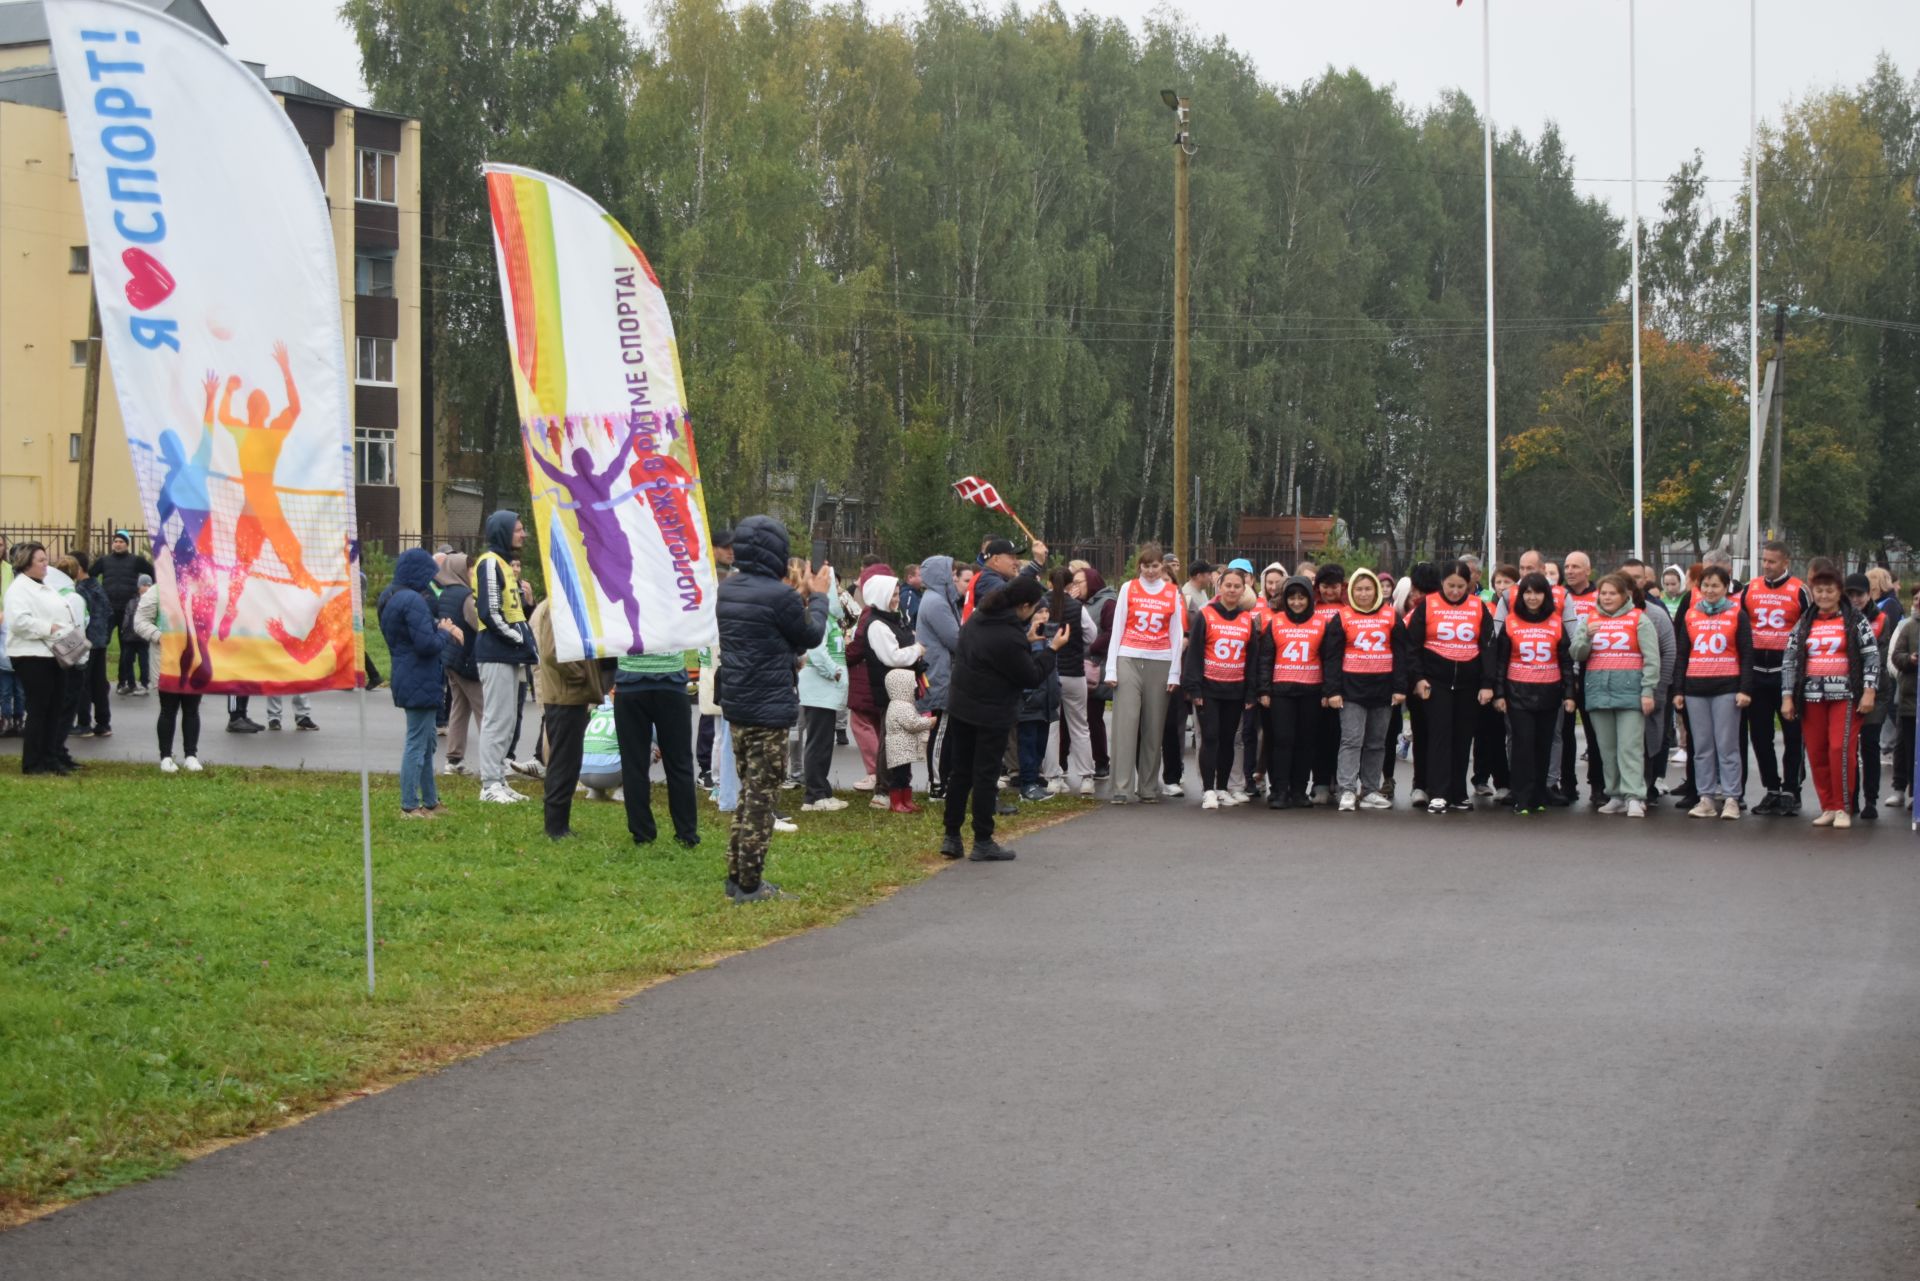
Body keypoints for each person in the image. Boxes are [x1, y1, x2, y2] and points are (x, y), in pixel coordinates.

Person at [717, 515, 831, 903]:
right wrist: (819, 596)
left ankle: (736, 876)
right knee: (762, 801)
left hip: (738, 705)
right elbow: (811, 635)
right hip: (769, 709)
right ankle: (749, 884)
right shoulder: (779, 596)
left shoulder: (728, 590)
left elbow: (766, 640)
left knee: (749, 794)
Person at [942, 575, 1069, 860]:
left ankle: (951, 836)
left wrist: (1025, 640)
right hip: (992, 712)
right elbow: (1031, 675)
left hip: (961, 706)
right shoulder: (1009, 637)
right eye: (1035, 608)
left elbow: (994, 653)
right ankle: (983, 840)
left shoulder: (978, 620)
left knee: (960, 773)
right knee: (985, 775)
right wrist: (1052, 650)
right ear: (1023, 606)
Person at [1779, 565, 1880, 828]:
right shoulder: (1804, 622)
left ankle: (1843, 807)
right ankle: (1828, 806)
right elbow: (1789, 660)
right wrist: (1787, 697)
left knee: (1840, 749)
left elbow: (1871, 655)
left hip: (1846, 697)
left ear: (1839, 592)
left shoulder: (1855, 619)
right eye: (1819, 590)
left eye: (1829, 590)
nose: (1823, 595)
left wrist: (1869, 691)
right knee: (1817, 751)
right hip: (1811, 697)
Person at [377, 549, 464, 819]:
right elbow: (426, 644)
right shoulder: (413, 600)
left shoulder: (389, 595)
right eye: (428, 575)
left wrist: (436, 626)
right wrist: (446, 632)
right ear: (417, 574)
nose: (431, 581)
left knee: (427, 742)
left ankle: (430, 801)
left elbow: (410, 634)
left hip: (406, 673)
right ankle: (409, 805)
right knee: (417, 742)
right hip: (420, 675)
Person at [1570, 571, 1660, 818]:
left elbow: (1652, 658)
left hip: (1630, 693)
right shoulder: (1589, 619)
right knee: (1606, 748)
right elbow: (1576, 653)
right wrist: (1586, 636)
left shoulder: (1639, 619)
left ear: (1625, 595)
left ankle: (1634, 796)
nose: (1607, 598)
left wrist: (1648, 691)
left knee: (1629, 747)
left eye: (1612, 593)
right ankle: (1615, 794)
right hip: (1599, 692)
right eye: (1604, 593)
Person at [1406, 561, 1492, 813]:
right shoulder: (1428, 605)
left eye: (1461, 586)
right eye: (1450, 586)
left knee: (1463, 737)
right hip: (1436, 682)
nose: (1455, 591)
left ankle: (1458, 793)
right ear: (1442, 583)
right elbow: (1412, 646)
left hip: (1468, 682)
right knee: (1440, 736)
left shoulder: (1478, 607)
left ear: (1469, 585)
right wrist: (1418, 678)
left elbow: (1488, 647)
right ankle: (1439, 792)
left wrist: (1487, 684)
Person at [1102, 542, 1185, 804]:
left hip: (1160, 660)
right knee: (1125, 724)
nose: (1150, 571)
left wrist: (1174, 673)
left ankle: (1148, 786)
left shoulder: (1172, 593)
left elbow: (1176, 634)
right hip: (1128, 656)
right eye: (1146, 566)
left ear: (1163, 567)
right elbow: (1117, 628)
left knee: (1154, 727)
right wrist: (1111, 668)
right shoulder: (1129, 588)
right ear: (1140, 566)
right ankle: (1121, 787)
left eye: (1155, 566)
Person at [1255, 574, 1343, 809]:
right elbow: (1266, 658)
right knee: (1283, 740)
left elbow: (1329, 660)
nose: (1296, 602)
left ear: (1309, 599)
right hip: (1281, 689)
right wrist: (1264, 689)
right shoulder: (1276, 621)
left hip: (1311, 690)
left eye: (1301, 598)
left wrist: (1327, 691)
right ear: (1285, 599)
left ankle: (1299, 790)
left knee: (1306, 742)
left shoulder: (1321, 624)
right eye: (1292, 598)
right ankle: (1280, 790)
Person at [1672, 563, 1752, 820]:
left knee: (1727, 746)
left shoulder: (1737, 614)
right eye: (1705, 585)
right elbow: (1682, 654)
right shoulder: (1691, 614)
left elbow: (1747, 653)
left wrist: (1744, 688)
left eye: (1715, 585)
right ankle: (1705, 796)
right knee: (1702, 747)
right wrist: (1679, 689)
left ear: (1726, 587)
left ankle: (1731, 797)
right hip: (1696, 688)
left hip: (1727, 687)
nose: (1710, 590)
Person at [612, 631, 701, 848]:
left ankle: (642, 833)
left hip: (630, 681)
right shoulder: (671, 596)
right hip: (670, 680)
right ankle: (686, 834)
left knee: (634, 764)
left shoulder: (624, 595)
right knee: (679, 763)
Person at [1494, 572, 1574, 814]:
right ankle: (1521, 796)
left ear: (1545, 595)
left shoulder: (1555, 622)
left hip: (1549, 692)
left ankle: (1539, 794)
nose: (1532, 597)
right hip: (1518, 692)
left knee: (1543, 745)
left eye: (1537, 592)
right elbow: (1500, 662)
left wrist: (1569, 694)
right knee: (1522, 745)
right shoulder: (1510, 622)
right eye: (1527, 592)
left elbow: (1566, 662)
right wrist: (1499, 694)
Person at [472, 511, 537, 804]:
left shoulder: (503, 564)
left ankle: (499, 779)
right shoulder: (488, 563)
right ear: (502, 531)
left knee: (508, 720)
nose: (523, 535)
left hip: (509, 653)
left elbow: (511, 610)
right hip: (496, 651)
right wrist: (516, 638)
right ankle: (489, 785)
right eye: (518, 530)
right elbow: (489, 612)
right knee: (496, 720)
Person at [1743, 540, 1810, 817]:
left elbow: (1810, 628)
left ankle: (1791, 790)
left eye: (1772, 561)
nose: (1767, 565)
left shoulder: (1799, 590)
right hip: (1758, 673)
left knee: (1794, 735)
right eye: (1764, 560)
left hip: (1788, 675)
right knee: (1760, 735)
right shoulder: (1751, 588)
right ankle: (1771, 789)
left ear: (1786, 562)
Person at [531, 594, 606, 839]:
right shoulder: (558, 606)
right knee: (563, 763)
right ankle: (555, 827)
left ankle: (559, 824)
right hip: (564, 697)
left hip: (566, 696)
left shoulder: (560, 603)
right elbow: (553, 653)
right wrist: (580, 676)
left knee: (567, 762)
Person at [1185, 564, 1258, 809]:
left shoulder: (1247, 619)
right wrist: (1194, 688)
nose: (1232, 590)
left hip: (1235, 689)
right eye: (1228, 585)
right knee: (1211, 738)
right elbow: (1194, 653)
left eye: (1237, 586)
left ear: (1243, 589)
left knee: (1229, 739)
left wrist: (1250, 692)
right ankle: (1208, 789)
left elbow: (1252, 660)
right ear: (1220, 587)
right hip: (1209, 689)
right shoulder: (1207, 614)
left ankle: (1223, 787)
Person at [1334, 567, 1406, 811]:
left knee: (1376, 742)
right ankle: (1346, 790)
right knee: (1352, 740)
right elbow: (1332, 657)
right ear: (1351, 591)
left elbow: (1401, 655)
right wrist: (1332, 691)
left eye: (1368, 589)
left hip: (1383, 690)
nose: (1363, 594)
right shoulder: (1342, 617)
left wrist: (1399, 687)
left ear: (1376, 590)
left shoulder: (1390, 616)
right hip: (1352, 690)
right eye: (1359, 589)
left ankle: (1370, 790)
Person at [5, 543, 76, 774]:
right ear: (27, 563)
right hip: (31, 655)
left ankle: (50, 757)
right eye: (41, 560)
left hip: (54, 653)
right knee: (39, 708)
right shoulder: (19, 589)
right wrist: (50, 627)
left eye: (46, 559)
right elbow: (18, 622)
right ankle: (33, 762)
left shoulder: (45, 586)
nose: (46, 564)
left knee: (55, 707)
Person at [859, 572, 926, 812]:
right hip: (889, 688)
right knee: (892, 741)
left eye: (898, 594)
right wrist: (917, 650)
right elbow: (892, 656)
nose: (897, 599)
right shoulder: (877, 624)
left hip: (902, 687)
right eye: (893, 594)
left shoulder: (894, 619)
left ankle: (900, 789)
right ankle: (884, 790)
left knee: (902, 740)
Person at [797, 568, 849, 812]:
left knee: (824, 742)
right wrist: (835, 672)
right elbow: (816, 651)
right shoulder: (820, 618)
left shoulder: (830, 619)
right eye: (835, 588)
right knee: (818, 743)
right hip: (819, 690)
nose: (839, 591)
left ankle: (822, 791)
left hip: (827, 692)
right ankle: (814, 796)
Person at [1045, 565, 1097, 796]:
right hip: (1074, 672)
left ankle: (1053, 777)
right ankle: (1087, 776)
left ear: (1048, 583)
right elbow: (1091, 635)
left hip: (1048, 673)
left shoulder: (1041, 604)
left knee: (1051, 726)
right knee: (1080, 726)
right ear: (1069, 585)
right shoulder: (1077, 608)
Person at [1846, 573, 1893, 821]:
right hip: (1848, 689)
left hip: (1877, 689)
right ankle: (1850, 798)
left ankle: (1871, 800)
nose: (1855, 599)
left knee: (1870, 745)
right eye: (1850, 595)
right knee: (1849, 747)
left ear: (1869, 594)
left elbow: (1880, 655)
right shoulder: (1840, 618)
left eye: (1860, 595)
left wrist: (1869, 688)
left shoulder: (1882, 619)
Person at [916, 555, 961, 799]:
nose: (954, 577)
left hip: (943, 672)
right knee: (941, 729)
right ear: (940, 575)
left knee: (947, 729)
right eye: (951, 572)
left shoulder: (940, 599)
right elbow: (955, 638)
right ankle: (937, 783)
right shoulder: (936, 603)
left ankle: (946, 778)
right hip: (940, 675)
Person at [435, 553, 482, 775]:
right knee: (485, 709)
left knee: (459, 707)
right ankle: (494, 761)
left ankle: (454, 759)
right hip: (467, 659)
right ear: (460, 571)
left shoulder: (445, 593)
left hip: (451, 658)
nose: (474, 574)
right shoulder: (465, 596)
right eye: (471, 570)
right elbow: (478, 624)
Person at [90, 530, 153, 695]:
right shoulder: (104, 561)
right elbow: (90, 575)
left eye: (121, 542)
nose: (118, 544)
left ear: (127, 544)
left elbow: (153, 574)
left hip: (128, 612)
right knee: (101, 644)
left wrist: (146, 594)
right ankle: (99, 680)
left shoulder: (136, 561)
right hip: (108, 610)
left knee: (126, 648)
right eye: (116, 541)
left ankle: (123, 681)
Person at [1309, 564, 1348, 803]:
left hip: (1344, 678)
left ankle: (1338, 779)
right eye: (1325, 586)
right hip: (1314, 676)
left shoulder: (1349, 608)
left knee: (1341, 734)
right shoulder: (1311, 608)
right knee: (1318, 734)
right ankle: (1321, 782)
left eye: (1334, 586)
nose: (1329, 591)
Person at [65, 558, 112, 739]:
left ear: (80, 569)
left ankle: (84, 723)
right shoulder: (97, 586)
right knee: (99, 683)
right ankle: (103, 722)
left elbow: (81, 617)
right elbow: (108, 611)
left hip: (87, 641)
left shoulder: (80, 590)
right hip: (100, 640)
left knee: (82, 683)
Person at [1079, 564, 1117, 780]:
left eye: (1079, 583)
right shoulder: (1080, 603)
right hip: (1080, 665)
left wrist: (1090, 648)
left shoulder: (1107, 602)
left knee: (1093, 717)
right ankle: (1067, 761)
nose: (1075, 587)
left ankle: (1101, 761)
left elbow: (1111, 632)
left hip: (1096, 667)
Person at [1889, 583, 1919, 811]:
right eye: (1916, 598)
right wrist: (1909, 659)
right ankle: (1906, 790)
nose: (1917, 602)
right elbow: (1896, 656)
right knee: (1907, 747)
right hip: (1910, 699)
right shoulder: (1908, 628)